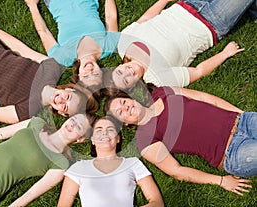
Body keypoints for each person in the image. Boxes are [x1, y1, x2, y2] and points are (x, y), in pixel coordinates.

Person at [104, 86, 256, 196]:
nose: (126, 108)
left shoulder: (162, 92)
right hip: (232, 152)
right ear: (123, 123)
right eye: (120, 112)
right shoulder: (144, 140)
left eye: (124, 102)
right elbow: (176, 170)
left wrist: (240, 113)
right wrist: (221, 181)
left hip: (242, 121)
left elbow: (204, 98)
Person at [0, 9, 98, 124]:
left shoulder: (26, 111)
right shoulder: (52, 68)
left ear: (62, 113)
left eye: (65, 106)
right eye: (68, 97)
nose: (61, 100)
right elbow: (21, 49)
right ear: (69, 89)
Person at [110, 0, 255, 90]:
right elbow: (198, 71)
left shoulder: (124, 43)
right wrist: (225, 54)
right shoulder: (159, 79)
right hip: (211, 22)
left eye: (119, 72)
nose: (127, 72)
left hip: (187, 3)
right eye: (126, 80)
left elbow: (146, 18)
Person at [0, 113, 94, 206]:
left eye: (79, 127)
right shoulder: (37, 123)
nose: (72, 125)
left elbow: (31, 193)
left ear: (81, 139)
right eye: (73, 119)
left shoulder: (61, 163)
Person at [57, 116, 164, 207]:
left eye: (111, 129)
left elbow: (157, 202)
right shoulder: (78, 168)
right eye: (99, 130)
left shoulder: (132, 163)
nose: (105, 133)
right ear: (93, 140)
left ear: (118, 138)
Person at [24, 0, 120, 93]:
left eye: (86, 76)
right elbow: (111, 16)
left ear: (79, 75)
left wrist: (32, 5)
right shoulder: (109, 46)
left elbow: (43, 32)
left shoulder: (62, 58)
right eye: (95, 74)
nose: (90, 71)